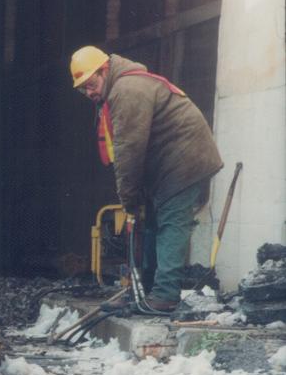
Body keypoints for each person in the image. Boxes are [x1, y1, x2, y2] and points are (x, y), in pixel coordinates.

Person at [70, 46, 223, 314]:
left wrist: (128, 198)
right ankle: (143, 291)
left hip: (184, 161)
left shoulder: (127, 90)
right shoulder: (122, 87)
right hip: (168, 162)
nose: (90, 92)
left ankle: (165, 296)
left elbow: (129, 149)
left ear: (105, 70)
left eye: (92, 84)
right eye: (83, 89)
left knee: (170, 224)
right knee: (150, 225)